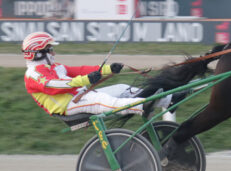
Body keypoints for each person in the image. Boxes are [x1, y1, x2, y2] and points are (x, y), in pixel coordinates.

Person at [22, 32, 170, 117]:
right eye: (49, 50)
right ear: (38, 53)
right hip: (68, 105)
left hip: (81, 96)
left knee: (122, 88)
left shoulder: (54, 66)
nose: (53, 52)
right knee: (101, 100)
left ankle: (168, 99)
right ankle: (141, 106)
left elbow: (79, 70)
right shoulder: (32, 75)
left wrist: (108, 69)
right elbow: (56, 86)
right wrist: (85, 80)